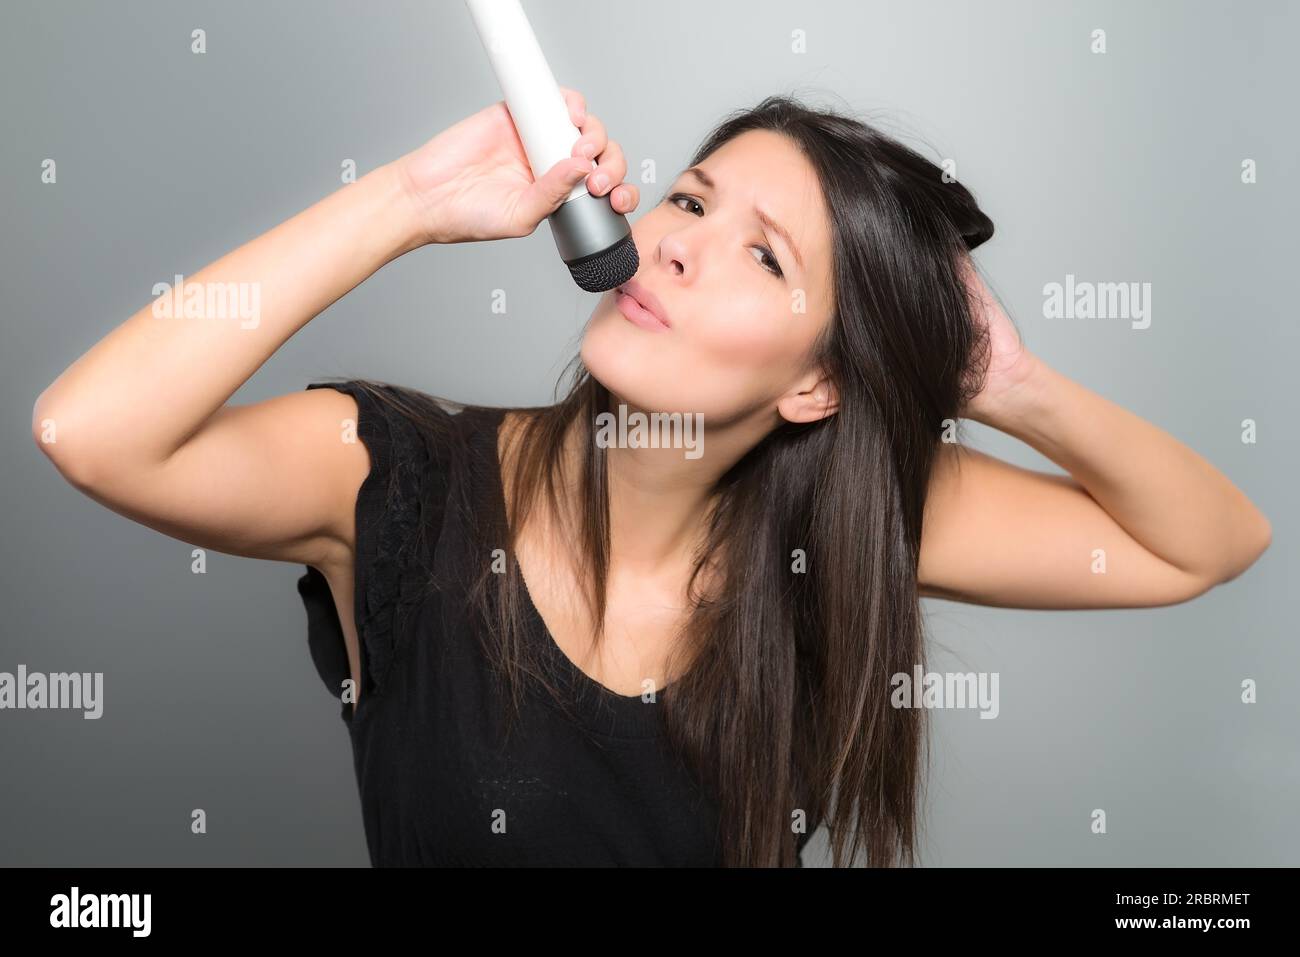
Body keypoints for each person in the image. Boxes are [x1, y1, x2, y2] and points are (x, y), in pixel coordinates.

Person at [32, 87, 1272, 867]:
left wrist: (1004, 381)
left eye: (762, 258)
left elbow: (1203, 543)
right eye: (689, 197)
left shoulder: (839, 529)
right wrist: (407, 202)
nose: (674, 246)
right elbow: (91, 429)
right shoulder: (397, 478)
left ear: (815, 389)